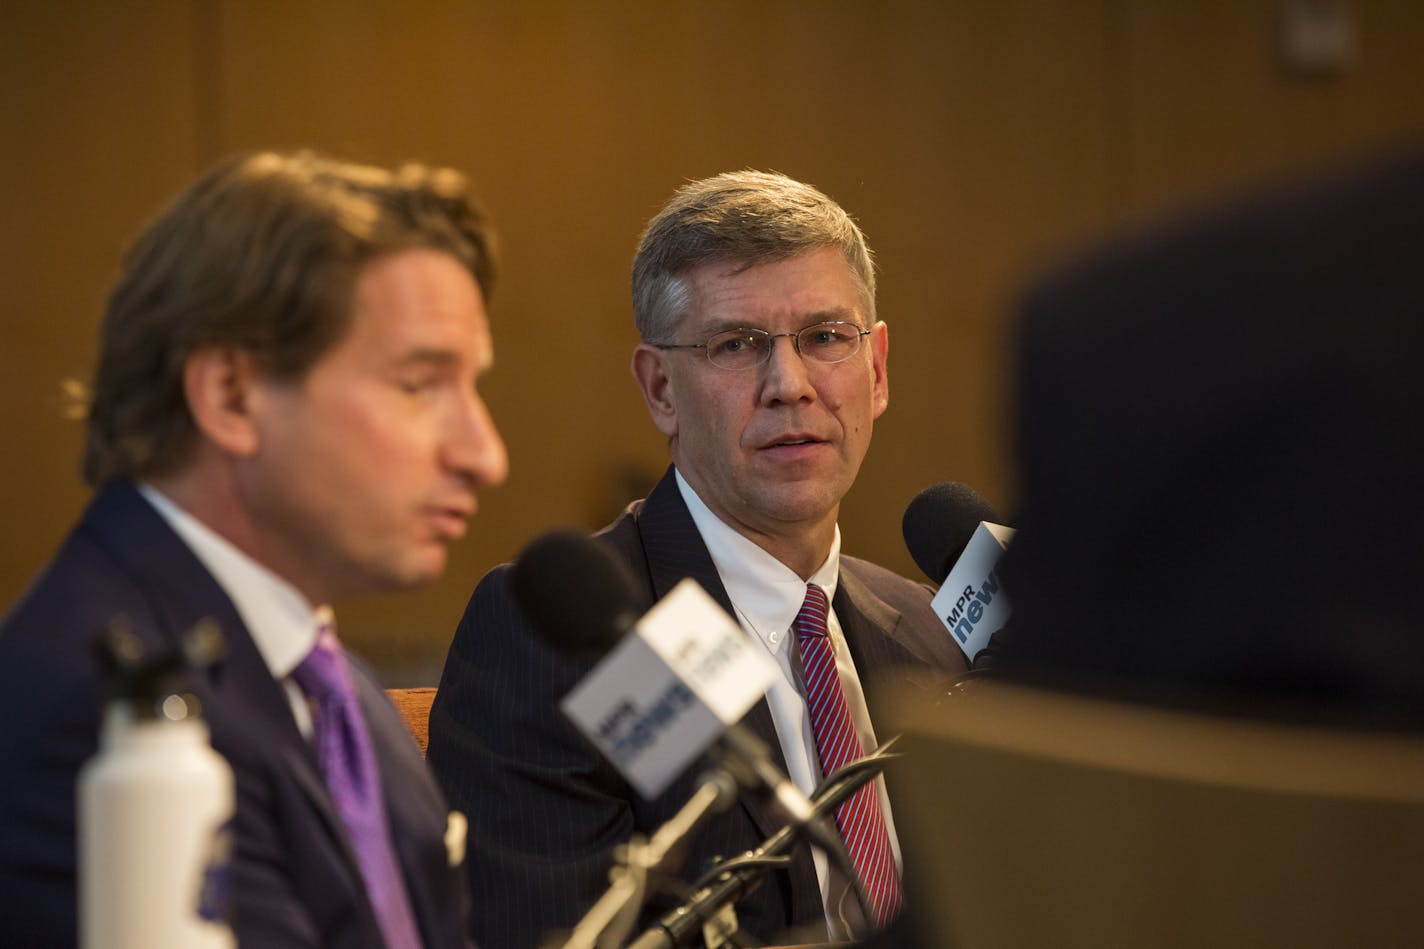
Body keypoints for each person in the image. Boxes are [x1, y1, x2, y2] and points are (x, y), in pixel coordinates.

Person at [428, 170, 967, 948]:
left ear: (876, 370)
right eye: (736, 345)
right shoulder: (571, 640)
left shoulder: (929, 632)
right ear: (660, 390)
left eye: (824, 337)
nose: (790, 386)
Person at [0, 150, 508, 948]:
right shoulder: (105, 714)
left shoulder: (335, 687)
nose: (484, 453)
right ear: (231, 396)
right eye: (419, 384)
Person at [992, 143, 1424, 727]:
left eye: (832, 338)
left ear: (880, 369)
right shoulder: (1131, 336)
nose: (817, 386)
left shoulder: (1120, 322)